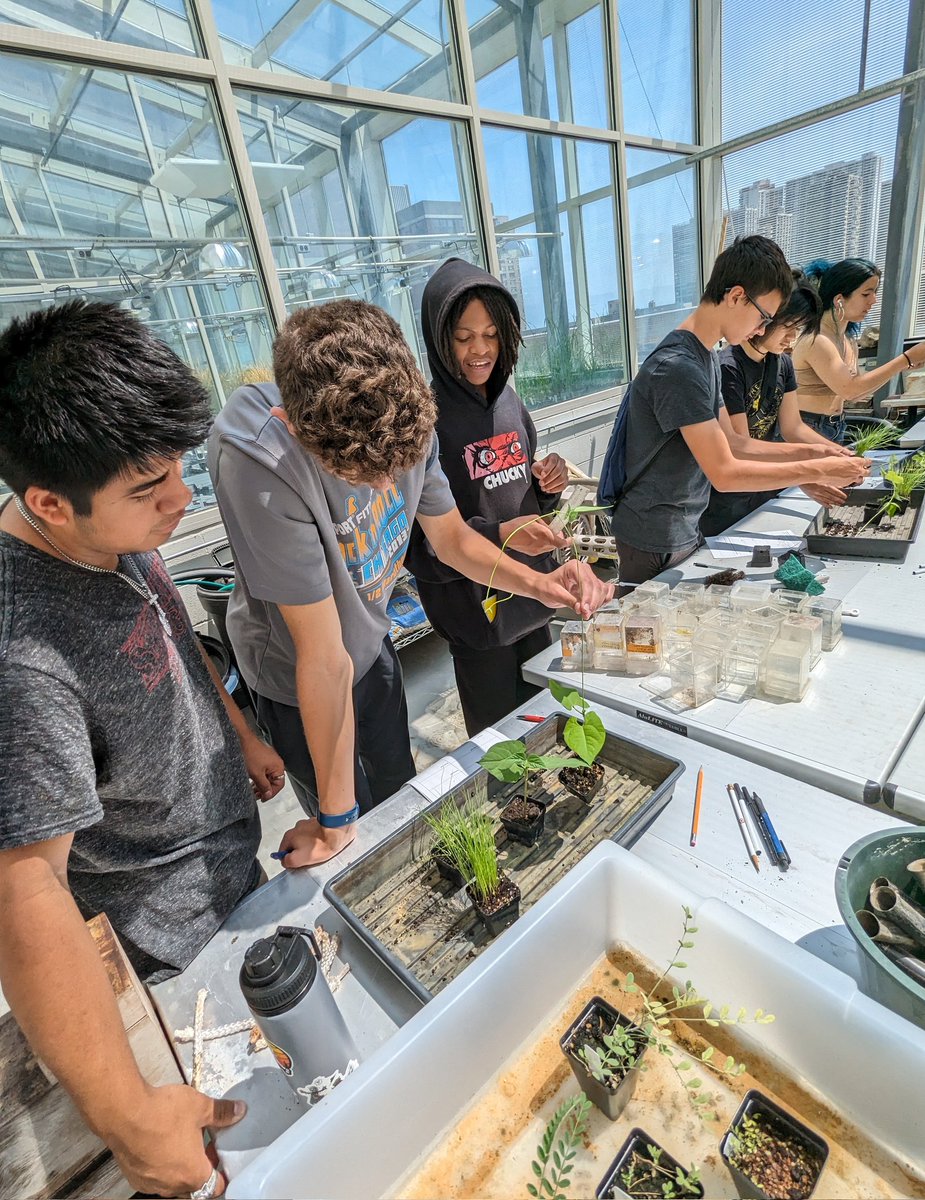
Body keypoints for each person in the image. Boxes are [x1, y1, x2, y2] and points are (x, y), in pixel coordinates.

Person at [0, 301, 289, 1199]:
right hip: (167, 944)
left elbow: (166, 627)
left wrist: (237, 733)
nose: (181, 500)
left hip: (233, 873)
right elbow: (24, 884)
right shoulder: (20, 654)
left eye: (176, 468)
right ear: (49, 502)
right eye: (148, 487)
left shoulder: (116, 535)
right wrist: (126, 1115)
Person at [208, 299, 612, 869]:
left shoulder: (406, 416)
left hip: (370, 644)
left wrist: (542, 586)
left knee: (400, 794)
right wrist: (332, 825)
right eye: (361, 475)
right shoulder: (258, 461)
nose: (382, 486)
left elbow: (451, 540)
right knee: (351, 837)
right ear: (304, 431)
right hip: (297, 675)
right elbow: (322, 657)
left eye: (394, 470)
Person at [608, 236, 870, 590]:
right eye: (763, 317)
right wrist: (819, 468)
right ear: (735, 297)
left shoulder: (704, 358)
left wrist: (816, 450)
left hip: (684, 524)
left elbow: (735, 443)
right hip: (652, 533)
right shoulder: (679, 366)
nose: (762, 330)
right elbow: (725, 474)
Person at [405, 258, 570, 736]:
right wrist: (501, 535)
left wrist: (546, 488)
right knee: (502, 745)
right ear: (439, 340)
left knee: (550, 727)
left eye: (491, 334)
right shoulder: (424, 423)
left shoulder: (510, 404)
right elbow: (421, 547)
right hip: (476, 619)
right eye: (463, 337)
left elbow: (524, 500)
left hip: (531, 600)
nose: (480, 350)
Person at [700, 277, 857, 537]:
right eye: (788, 327)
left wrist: (836, 453)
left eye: (799, 329)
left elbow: (793, 427)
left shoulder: (782, 363)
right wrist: (808, 473)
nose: (792, 338)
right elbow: (741, 447)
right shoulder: (728, 367)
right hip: (729, 499)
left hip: (766, 489)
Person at [791, 257, 925, 443]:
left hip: (834, 425)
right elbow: (851, 390)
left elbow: (860, 391)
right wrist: (905, 359)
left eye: (875, 292)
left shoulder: (847, 340)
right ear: (839, 299)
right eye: (866, 294)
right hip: (807, 428)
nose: (873, 301)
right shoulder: (817, 340)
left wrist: (905, 363)